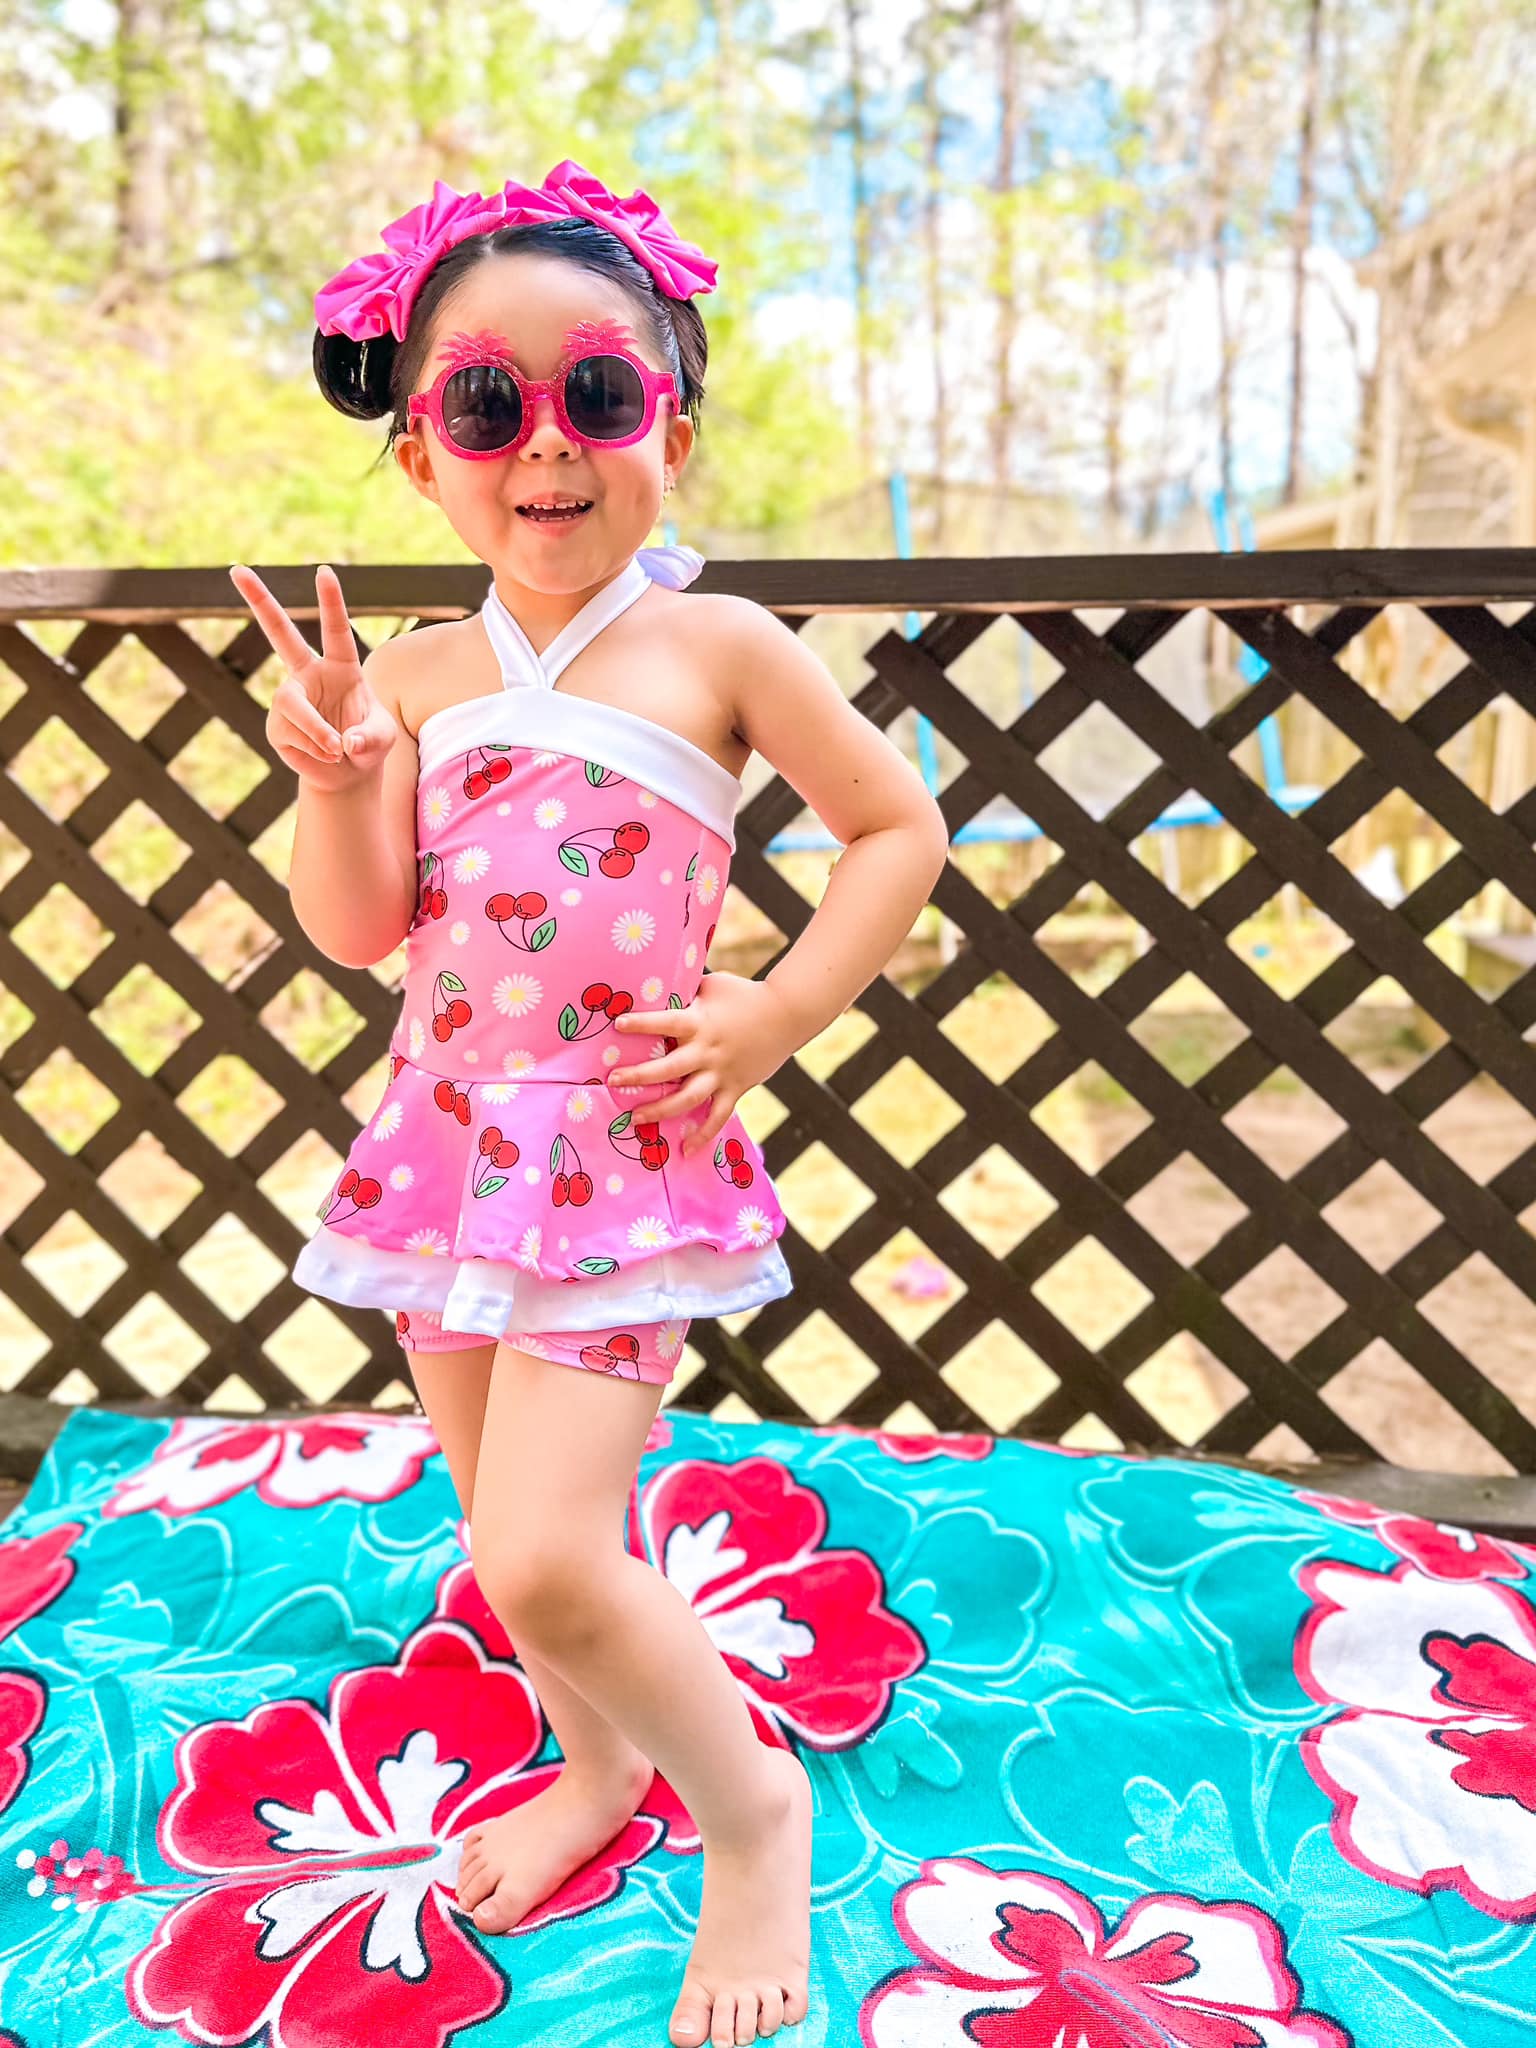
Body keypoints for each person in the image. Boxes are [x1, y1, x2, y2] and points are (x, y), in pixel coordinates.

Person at [229, 158, 950, 2048]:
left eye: (598, 394)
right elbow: (359, 930)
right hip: (449, 1150)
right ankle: (597, 1766)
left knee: (544, 1554)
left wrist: (778, 1008)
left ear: (671, 432)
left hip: (623, 1154)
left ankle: (753, 1812)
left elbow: (897, 826)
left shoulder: (719, 648)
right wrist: (336, 777)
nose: (546, 441)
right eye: (486, 402)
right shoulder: (414, 675)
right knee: (508, 1531)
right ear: (422, 456)